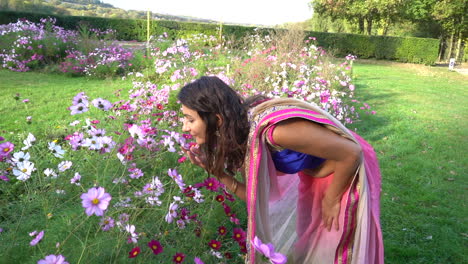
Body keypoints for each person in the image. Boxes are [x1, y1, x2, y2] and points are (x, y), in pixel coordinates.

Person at [178, 76, 384, 264]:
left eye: (190, 119)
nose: (184, 128)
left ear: (218, 120)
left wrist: (331, 199)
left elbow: (351, 153)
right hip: (315, 177)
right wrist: (218, 173)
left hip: (345, 172)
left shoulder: (275, 133)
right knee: (309, 243)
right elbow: (256, 197)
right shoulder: (242, 133)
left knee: (336, 248)